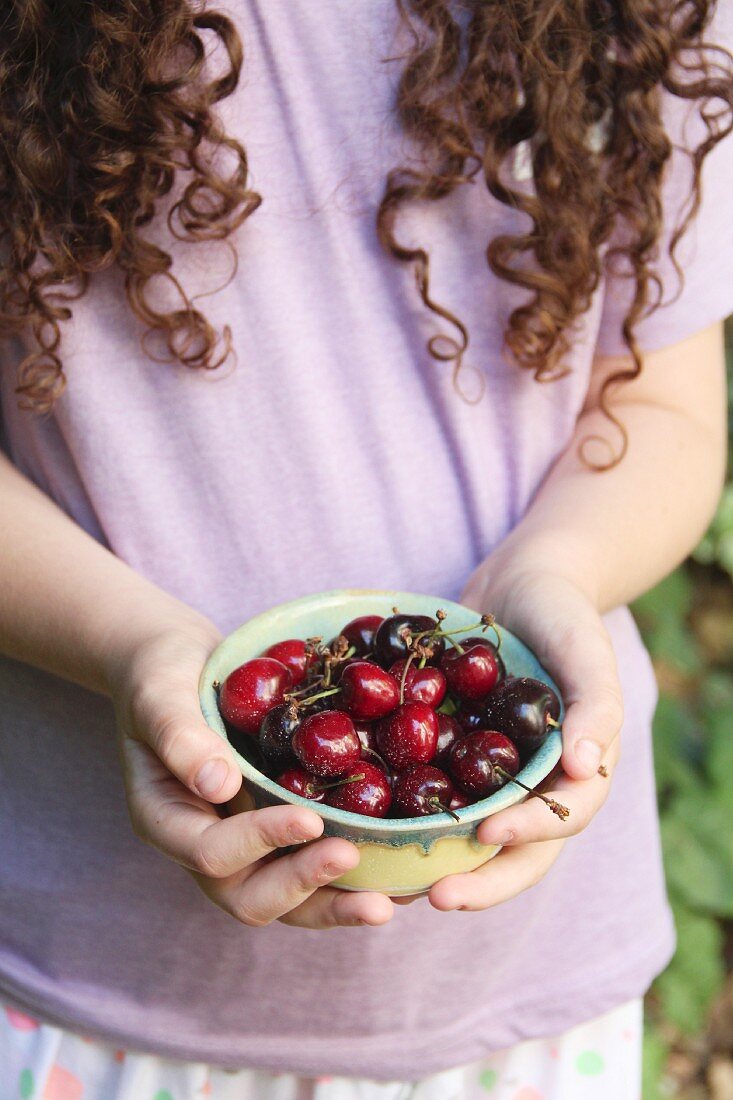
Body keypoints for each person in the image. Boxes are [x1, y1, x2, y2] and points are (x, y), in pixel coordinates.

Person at [0, 1, 731, 1098]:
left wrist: (551, 577)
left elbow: (663, 409)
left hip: (522, 983)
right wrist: (128, 642)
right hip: (96, 980)